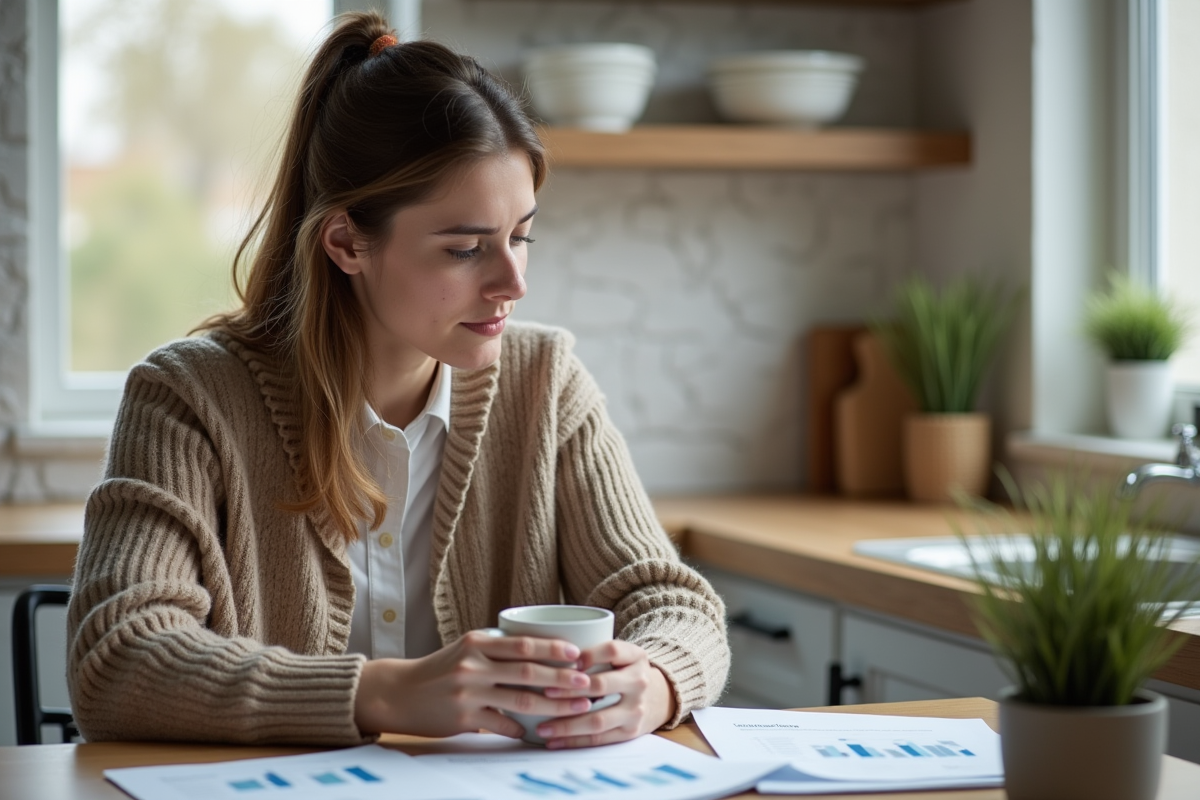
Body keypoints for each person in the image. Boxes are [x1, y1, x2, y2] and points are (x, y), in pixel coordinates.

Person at [66, 12, 730, 749]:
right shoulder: (186, 399)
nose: (513, 281)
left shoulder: (547, 383)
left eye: (521, 237)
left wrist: (655, 680)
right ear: (347, 242)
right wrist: (386, 691)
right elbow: (116, 661)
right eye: (465, 248)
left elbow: (671, 604)